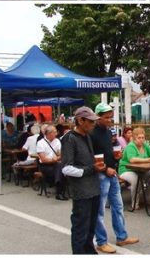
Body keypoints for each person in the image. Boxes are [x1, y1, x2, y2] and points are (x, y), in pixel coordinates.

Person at [90, 102, 139, 253]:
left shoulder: (107, 131)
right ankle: (101, 241)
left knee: (118, 206)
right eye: (106, 117)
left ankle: (121, 236)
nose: (110, 120)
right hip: (101, 175)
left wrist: (116, 156)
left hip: (112, 173)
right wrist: (106, 169)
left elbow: (107, 151)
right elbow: (91, 157)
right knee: (99, 210)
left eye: (111, 117)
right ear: (98, 117)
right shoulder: (92, 133)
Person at [61, 106, 105, 254]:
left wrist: (97, 165)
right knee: (80, 227)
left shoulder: (87, 136)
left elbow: (87, 161)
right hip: (81, 191)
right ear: (81, 120)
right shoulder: (69, 138)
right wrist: (91, 168)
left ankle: (89, 251)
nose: (93, 124)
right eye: (91, 121)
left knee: (91, 226)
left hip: (94, 188)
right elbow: (66, 168)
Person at [118, 126, 150, 210]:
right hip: (126, 169)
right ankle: (135, 202)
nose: (141, 139)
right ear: (134, 139)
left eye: (143, 137)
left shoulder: (145, 145)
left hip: (140, 170)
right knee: (135, 179)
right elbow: (132, 160)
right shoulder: (131, 146)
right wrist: (148, 160)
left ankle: (146, 198)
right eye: (139, 138)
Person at [36, 124, 67, 200]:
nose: (57, 133)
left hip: (56, 164)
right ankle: (59, 191)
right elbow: (43, 159)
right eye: (55, 132)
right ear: (49, 133)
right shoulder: (40, 143)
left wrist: (55, 159)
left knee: (60, 168)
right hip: (45, 166)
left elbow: (60, 154)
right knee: (61, 169)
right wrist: (54, 159)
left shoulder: (57, 141)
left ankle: (58, 185)